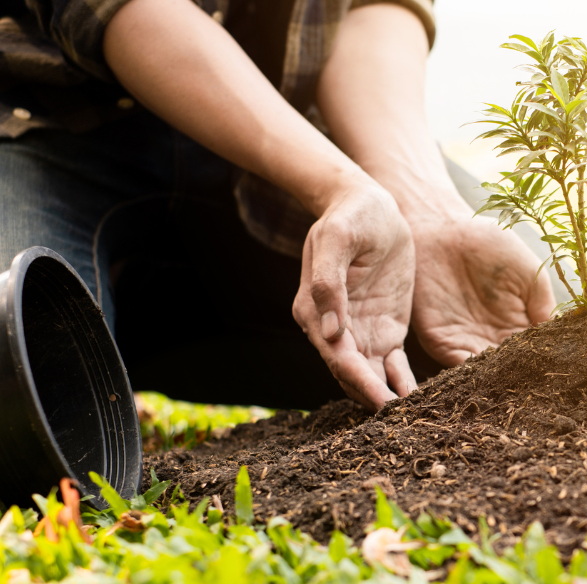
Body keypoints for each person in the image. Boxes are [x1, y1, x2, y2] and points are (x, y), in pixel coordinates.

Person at [0, 0, 556, 412]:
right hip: (47, 124)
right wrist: (337, 185)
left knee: (524, 335)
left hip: (296, 123)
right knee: (24, 386)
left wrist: (422, 206)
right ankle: (102, 347)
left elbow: (370, 10)